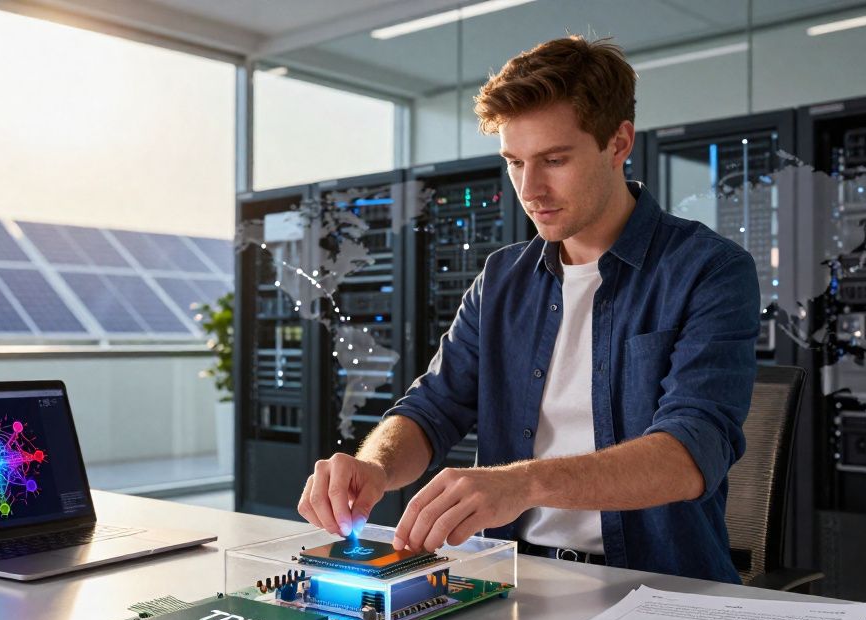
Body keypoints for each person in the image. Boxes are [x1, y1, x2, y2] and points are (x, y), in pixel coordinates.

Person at [296, 35, 758, 583]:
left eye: (554, 160)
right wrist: (375, 465)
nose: (530, 189)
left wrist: (521, 483)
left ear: (618, 143)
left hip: (657, 585)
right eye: (514, 162)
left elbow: (690, 451)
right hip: (511, 579)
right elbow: (431, 408)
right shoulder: (501, 278)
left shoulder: (709, 270)